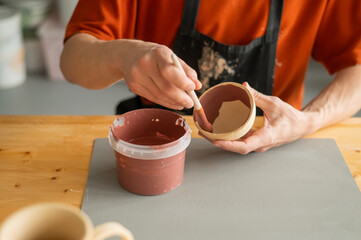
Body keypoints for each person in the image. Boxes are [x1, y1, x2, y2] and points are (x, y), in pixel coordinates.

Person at [60, 0, 361, 154]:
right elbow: (72, 59)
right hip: (157, 142)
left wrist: (306, 120)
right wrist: (121, 57)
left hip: (275, 142)